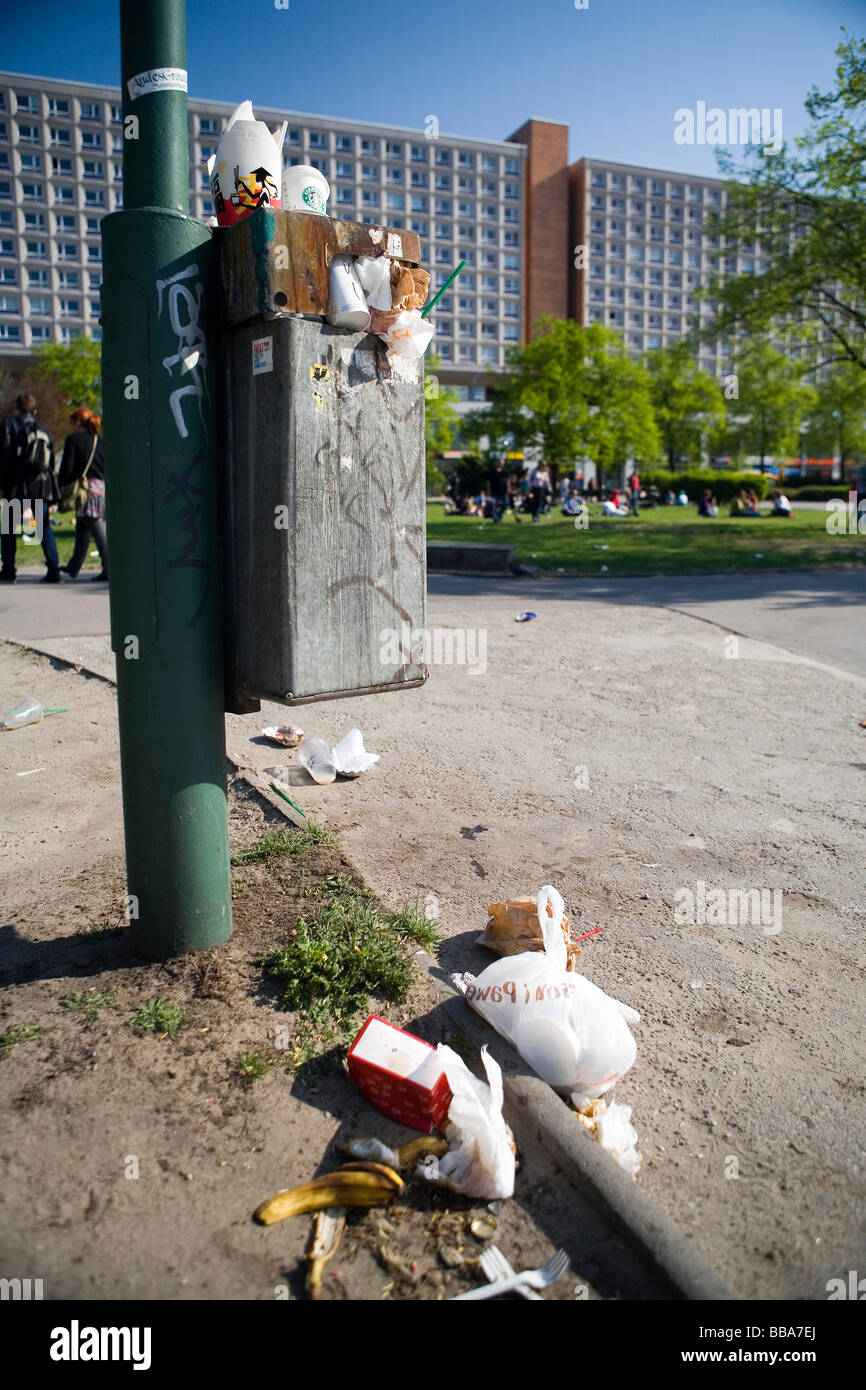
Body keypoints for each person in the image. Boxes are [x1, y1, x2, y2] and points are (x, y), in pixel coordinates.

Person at [0, 393, 61, 583]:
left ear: (17, 407)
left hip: (16, 484)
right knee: (43, 527)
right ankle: (54, 570)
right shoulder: (41, 428)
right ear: (34, 410)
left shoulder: (9, 424)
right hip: (40, 485)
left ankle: (8, 570)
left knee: (9, 527)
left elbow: (3, 455)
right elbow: (48, 461)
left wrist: (2, 484)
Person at [58, 407, 108, 582]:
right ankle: (74, 566)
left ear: (78, 422)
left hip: (85, 491)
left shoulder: (73, 440)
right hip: (101, 489)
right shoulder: (100, 441)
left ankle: (109, 567)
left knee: (96, 527)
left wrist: (62, 484)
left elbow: (68, 467)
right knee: (83, 528)